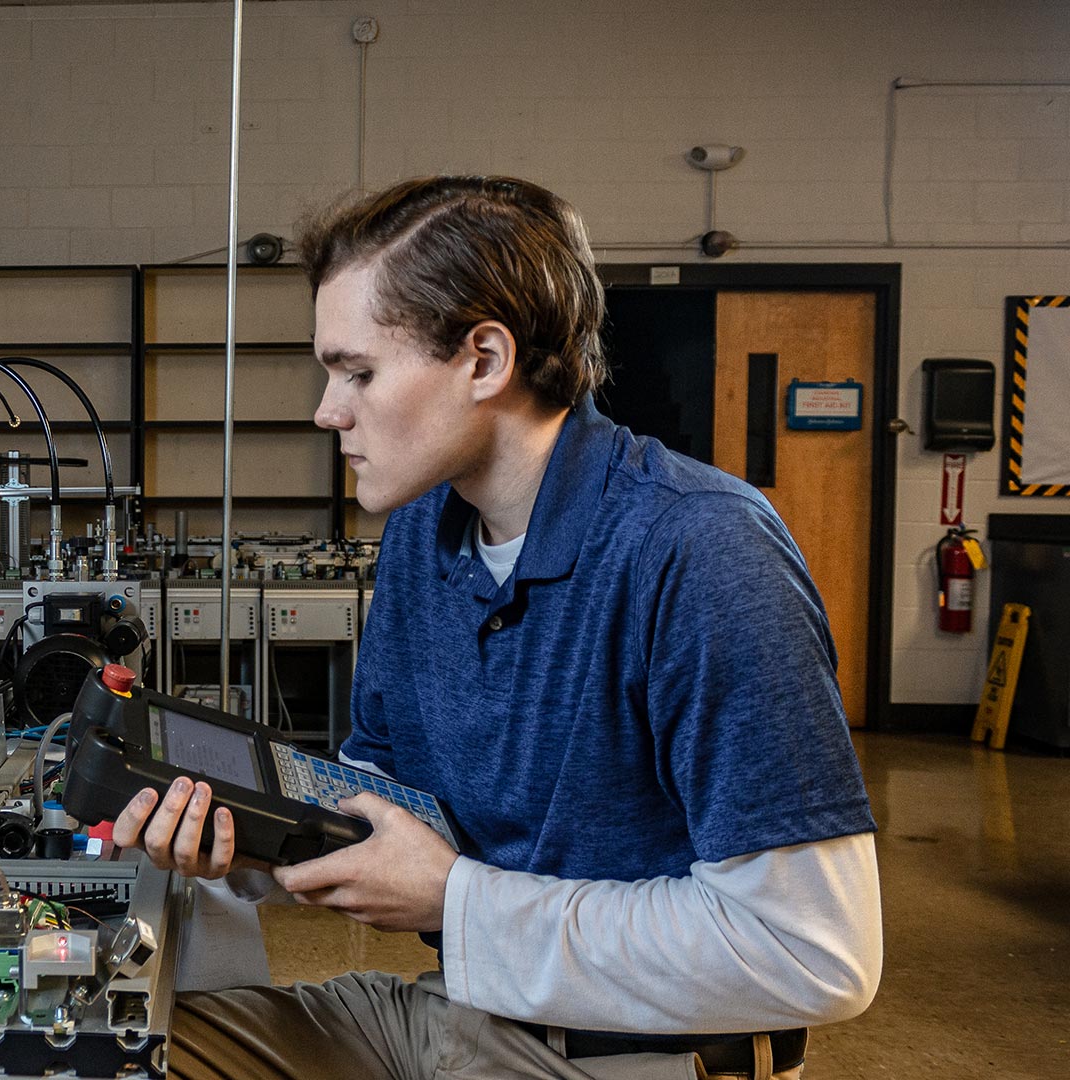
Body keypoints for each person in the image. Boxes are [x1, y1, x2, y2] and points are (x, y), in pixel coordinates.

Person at [113, 176, 882, 1080]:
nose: (328, 410)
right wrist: (248, 833)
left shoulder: (701, 551)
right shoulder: (421, 534)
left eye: (357, 372)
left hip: (630, 1056)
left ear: (484, 360)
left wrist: (455, 902)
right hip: (453, 1015)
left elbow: (813, 954)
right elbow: (389, 797)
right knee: (101, 1056)